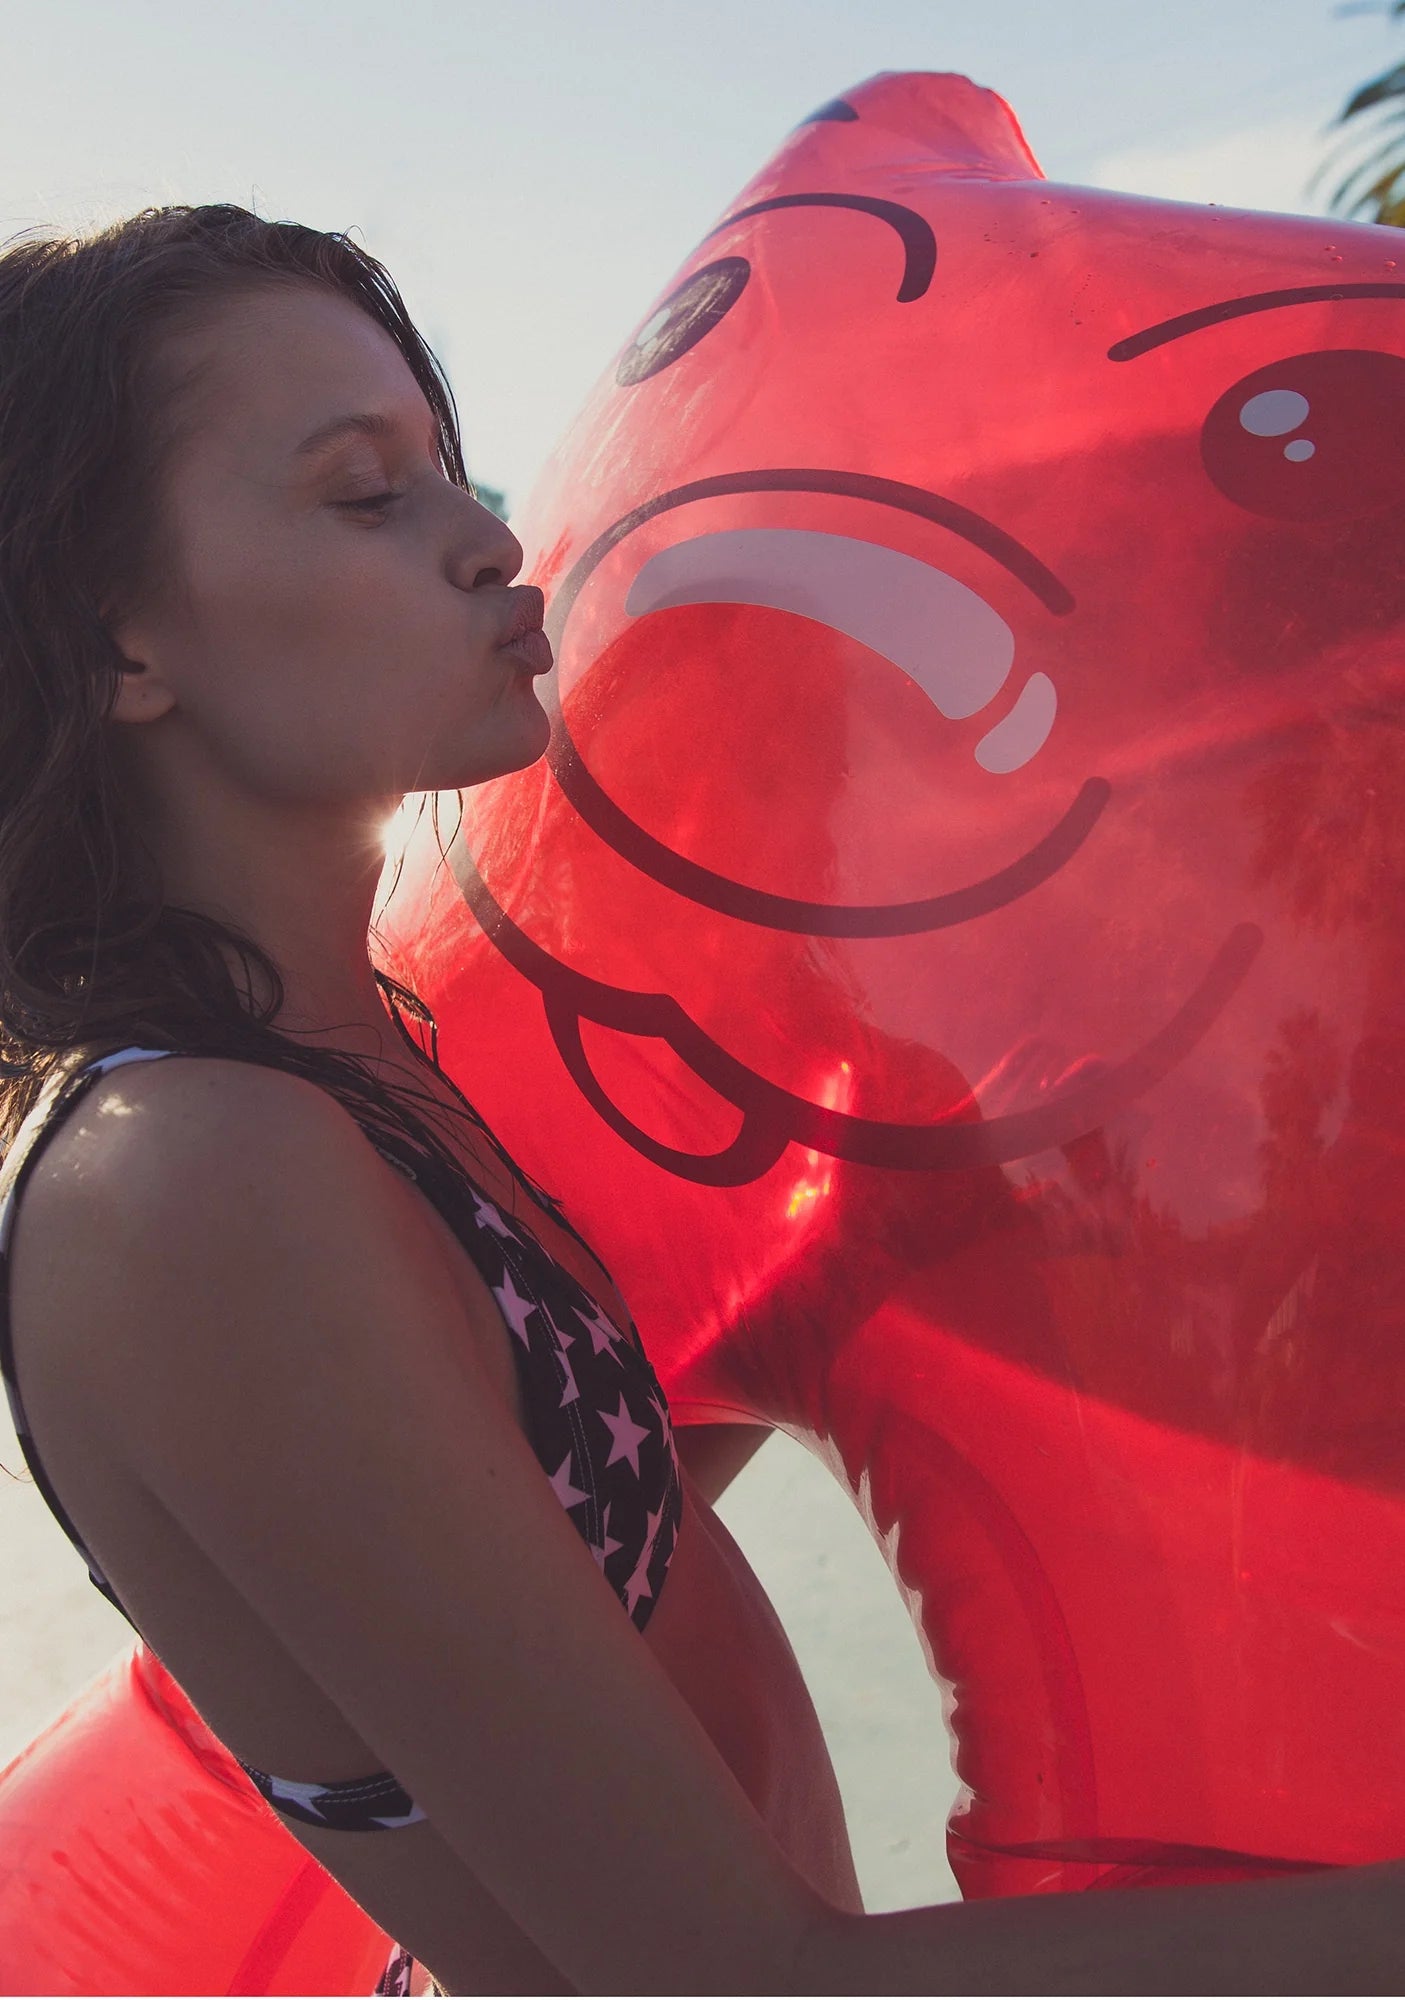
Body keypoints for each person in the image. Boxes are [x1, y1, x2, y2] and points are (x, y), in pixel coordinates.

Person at [0, 204, 1399, 1999]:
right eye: (367, 497)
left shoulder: (344, 1073)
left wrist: (929, 1223)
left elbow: (596, 1529)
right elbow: (729, 1982)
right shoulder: (191, 1180)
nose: (489, 539)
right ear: (113, 644)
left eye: (447, 473)